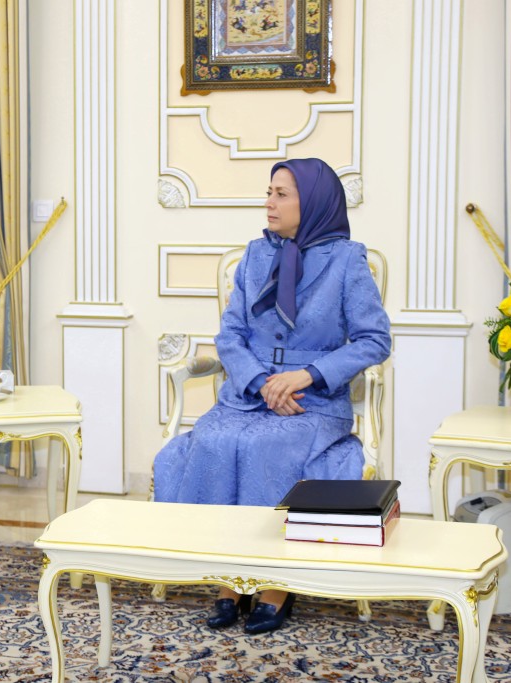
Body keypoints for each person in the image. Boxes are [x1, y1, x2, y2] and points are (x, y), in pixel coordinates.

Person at [152, 158, 391, 634]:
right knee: (213, 441)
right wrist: (262, 381)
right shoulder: (255, 257)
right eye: (269, 191)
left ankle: (275, 584)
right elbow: (231, 335)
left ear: (314, 200)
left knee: (269, 445)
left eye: (282, 194)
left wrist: (307, 375)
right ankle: (227, 580)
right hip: (249, 392)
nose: (269, 203)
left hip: (314, 401)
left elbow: (373, 340)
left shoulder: (347, 261)